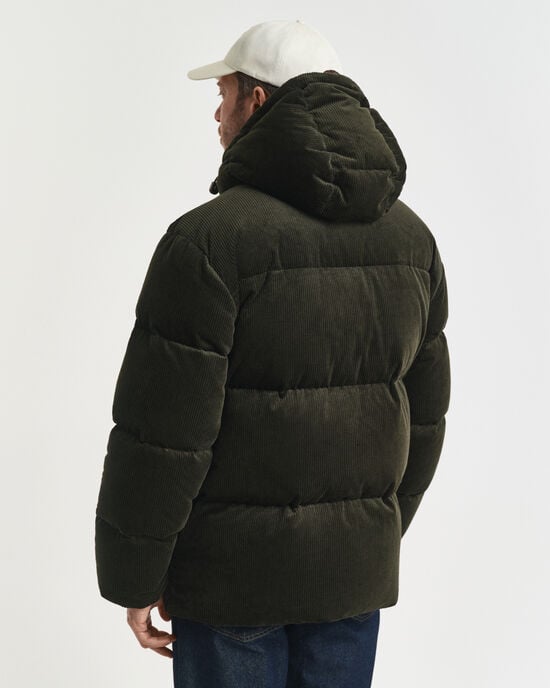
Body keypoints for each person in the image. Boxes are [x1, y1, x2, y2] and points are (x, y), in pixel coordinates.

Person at [95, 18, 451, 688]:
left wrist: (134, 578)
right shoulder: (414, 242)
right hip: (351, 583)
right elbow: (425, 418)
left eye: (224, 94)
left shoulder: (210, 242)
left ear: (257, 100)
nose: (216, 113)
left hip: (231, 588)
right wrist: (367, 536)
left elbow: (165, 434)